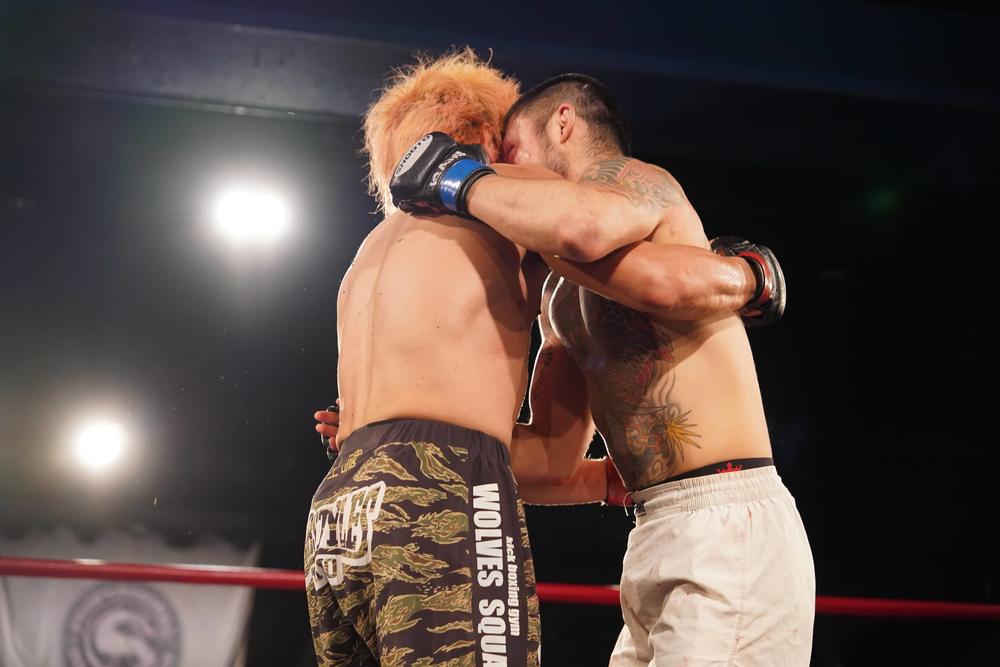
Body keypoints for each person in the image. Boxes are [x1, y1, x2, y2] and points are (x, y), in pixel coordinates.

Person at [305, 52, 773, 667]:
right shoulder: (504, 196)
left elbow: (536, 454)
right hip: (443, 486)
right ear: (488, 135)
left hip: (341, 504)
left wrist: (599, 479)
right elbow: (590, 230)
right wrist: (750, 277)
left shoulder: (371, 253)